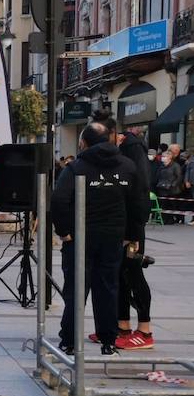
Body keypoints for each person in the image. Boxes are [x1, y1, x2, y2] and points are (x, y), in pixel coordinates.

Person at [52, 123, 145, 357]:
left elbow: (59, 200)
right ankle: (108, 340)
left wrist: (64, 232)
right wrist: (131, 235)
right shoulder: (127, 166)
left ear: (84, 142)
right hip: (113, 238)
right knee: (108, 289)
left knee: (75, 289)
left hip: (80, 237)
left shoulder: (76, 167)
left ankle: (70, 341)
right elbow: (138, 203)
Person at [113, 127, 154, 350]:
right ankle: (123, 326)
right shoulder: (125, 156)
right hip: (122, 228)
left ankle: (145, 329)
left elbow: (139, 197)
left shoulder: (134, 151)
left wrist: (134, 235)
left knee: (134, 275)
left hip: (132, 231)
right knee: (120, 277)